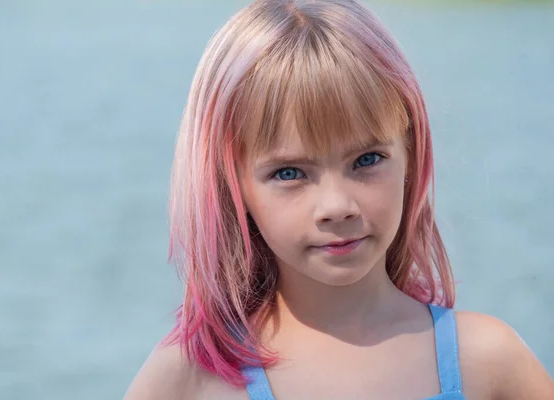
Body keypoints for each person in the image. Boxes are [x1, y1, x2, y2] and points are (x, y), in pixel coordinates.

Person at [124, 1, 554, 399]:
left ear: (411, 153)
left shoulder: (489, 361)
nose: (336, 205)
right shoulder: (191, 379)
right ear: (232, 185)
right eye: (288, 173)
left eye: (367, 159)